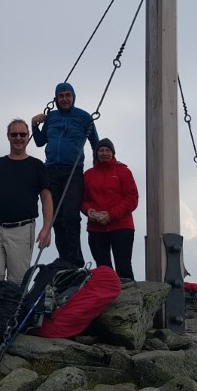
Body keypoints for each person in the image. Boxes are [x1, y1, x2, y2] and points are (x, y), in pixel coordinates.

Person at [0, 118, 53, 284]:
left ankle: (14, 303)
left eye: (22, 134)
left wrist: (47, 228)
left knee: (17, 281)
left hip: (22, 230)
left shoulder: (37, 165)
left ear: (28, 136)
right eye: (14, 134)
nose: (18, 138)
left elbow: (46, 197)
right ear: (8, 136)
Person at [31, 82, 99, 268]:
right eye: (61, 96)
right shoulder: (51, 117)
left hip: (73, 170)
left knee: (71, 215)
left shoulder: (84, 117)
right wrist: (34, 125)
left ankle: (74, 260)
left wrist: (97, 169)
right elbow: (39, 142)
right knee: (56, 217)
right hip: (50, 170)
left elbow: (95, 144)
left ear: (73, 97)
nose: (64, 99)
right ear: (56, 99)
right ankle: (65, 259)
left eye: (68, 95)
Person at [82, 138, 139, 280]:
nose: (104, 153)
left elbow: (132, 198)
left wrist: (111, 215)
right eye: (101, 150)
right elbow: (82, 200)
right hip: (96, 229)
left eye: (108, 150)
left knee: (123, 267)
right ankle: (107, 293)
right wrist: (88, 210)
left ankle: (129, 294)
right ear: (96, 153)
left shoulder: (123, 171)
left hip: (121, 226)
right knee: (103, 269)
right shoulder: (88, 174)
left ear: (113, 153)